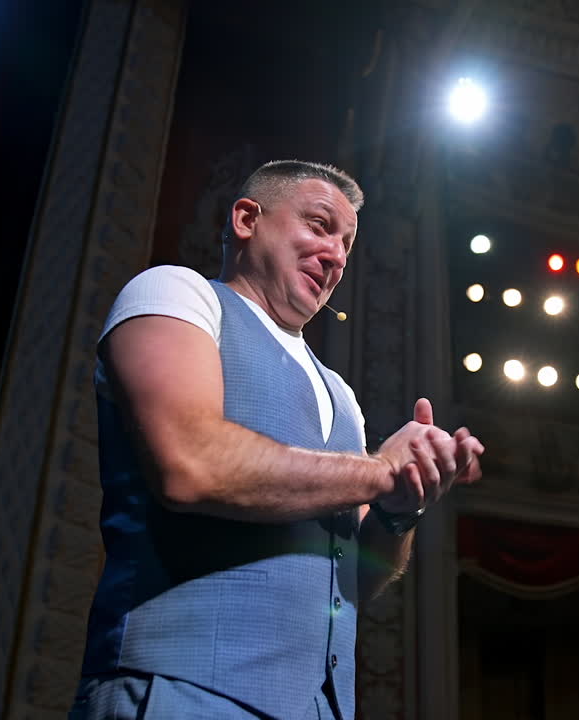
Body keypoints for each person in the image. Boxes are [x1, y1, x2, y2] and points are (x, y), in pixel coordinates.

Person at [71, 160, 484, 719]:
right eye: (318, 225)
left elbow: (353, 582)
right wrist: (381, 469)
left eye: (346, 244)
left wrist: (398, 509)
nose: (337, 256)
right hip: (182, 691)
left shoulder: (341, 396)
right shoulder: (178, 293)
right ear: (247, 219)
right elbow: (189, 464)